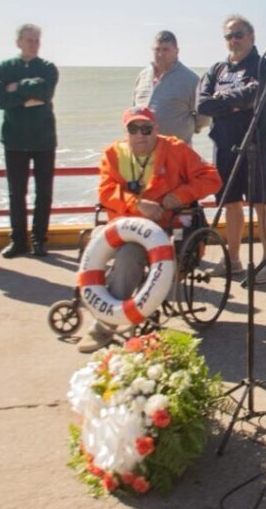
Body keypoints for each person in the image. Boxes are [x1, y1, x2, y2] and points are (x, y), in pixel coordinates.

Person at [76, 106, 222, 353]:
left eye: (146, 129)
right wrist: (137, 204)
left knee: (129, 256)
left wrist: (179, 195)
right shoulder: (113, 154)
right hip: (123, 227)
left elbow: (211, 178)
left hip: (165, 229)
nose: (140, 135)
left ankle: (105, 324)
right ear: (127, 132)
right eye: (134, 129)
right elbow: (105, 191)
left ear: (156, 129)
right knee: (100, 246)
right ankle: (111, 307)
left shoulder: (176, 150)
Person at [196, 15, 266, 284]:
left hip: (255, 146)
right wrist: (233, 103)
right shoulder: (217, 69)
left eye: (239, 35)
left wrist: (224, 100)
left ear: (252, 37)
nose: (233, 41)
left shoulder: (263, 65)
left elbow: (255, 96)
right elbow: (202, 104)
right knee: (230, 203)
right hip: (223, 146)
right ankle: (232, 260)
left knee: (260, 203)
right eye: (229, 36)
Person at [0, 23, 59, 258]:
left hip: (44, 139)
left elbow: (46, 93)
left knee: (44, 193)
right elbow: (1, 101)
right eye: (29, 40)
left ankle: (39, 240)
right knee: (16, 193)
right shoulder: (3, 69)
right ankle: (18, 241)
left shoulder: (48, 68)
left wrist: (17, 88)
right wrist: (30, 93)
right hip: (14, 140)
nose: (33, 44)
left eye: (36, 40)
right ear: (18, 42)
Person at [132, 30, 208, 144]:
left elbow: (204, 117)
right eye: (157, 49)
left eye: (165, 49)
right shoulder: (143, 76)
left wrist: (191, 128)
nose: (160, 54)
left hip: (177, 153)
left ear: (177, 51)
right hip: (145, 152)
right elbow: (134, 110)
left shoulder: (191, 80)